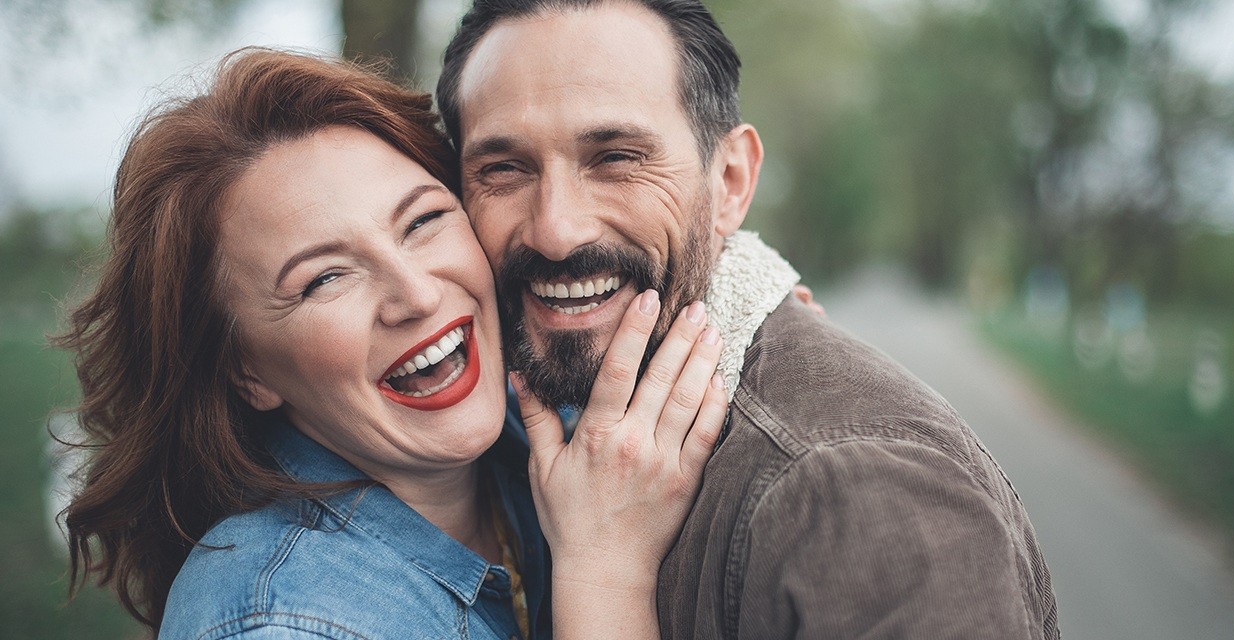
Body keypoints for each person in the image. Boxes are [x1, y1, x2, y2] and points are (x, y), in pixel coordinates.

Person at [434, 1, 1061, 638]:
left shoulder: (859, 498)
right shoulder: (528, 418)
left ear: (730, 181)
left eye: (616, 158)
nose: (556, 232)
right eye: (504, 169)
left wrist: (599, 578)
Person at [57, 48, 729, 639]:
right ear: (245, 371)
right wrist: (603, 573)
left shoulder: (533, 426)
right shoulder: (280, 624)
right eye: (324, 278)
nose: (418, 294)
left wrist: (752, 303)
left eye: (424, 220)